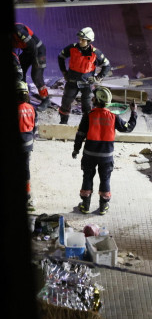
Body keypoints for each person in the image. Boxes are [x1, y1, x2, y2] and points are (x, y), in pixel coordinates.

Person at [72, 87, 137, 215]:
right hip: (106, 157)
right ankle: (103, 207)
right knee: (105, 179)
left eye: (94, 97)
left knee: (87, 178)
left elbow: (80, 134)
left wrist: (76, 150)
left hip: (89, 155)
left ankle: (85, 206)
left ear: (96, 100)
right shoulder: (114, 117)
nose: (92, 98)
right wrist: (134, 112)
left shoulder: (89, 116)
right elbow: (128, 128)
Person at [58, 27, 111, 124]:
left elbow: (107, 65)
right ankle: (63, 123)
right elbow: (60, 57)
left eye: (83, 39)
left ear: (89, 41)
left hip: (87, 83)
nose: (80, 41)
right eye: (79, 39)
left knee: (87, 106)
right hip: (72, 82)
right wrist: (64, 72)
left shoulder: (96, 53)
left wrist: (98, 77)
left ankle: (86, 125)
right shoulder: (72, 48)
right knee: (65, 102)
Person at [13, 23, 51, 110]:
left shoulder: (18, 30)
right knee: (20, 74)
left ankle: (46, 99)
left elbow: (32, 45)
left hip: (37, 51)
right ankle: (24, 99)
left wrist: (35, 63)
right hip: (27, 51)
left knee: (36, 77)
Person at [16, 81, 36, 212]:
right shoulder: (31, 108)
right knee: (25, 171)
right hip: (28, 144)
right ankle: (28, 198)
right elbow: (35, 127)